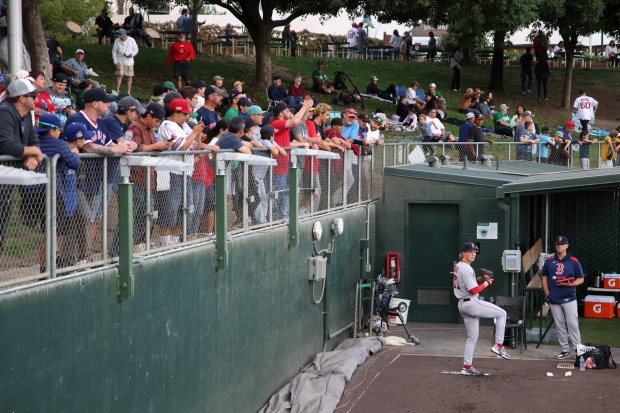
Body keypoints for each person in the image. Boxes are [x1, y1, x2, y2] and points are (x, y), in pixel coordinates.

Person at [453, 242, 511, 377]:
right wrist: (487, 282)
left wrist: (479, 278)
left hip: (462, 305)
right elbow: (473, 290)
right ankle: (498, 346)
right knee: (502, 313)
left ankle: (467, 366)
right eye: (470, 251)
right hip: (471, 303)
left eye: (475, 252)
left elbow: (467, 283)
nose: (473, 254)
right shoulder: (466, 268)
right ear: (463, 252)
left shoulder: (459, 266)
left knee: (472, 338)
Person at [0, 79, 44, 253]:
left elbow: (34, 141)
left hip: (8, 177)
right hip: (3, 174)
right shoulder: (4, 111)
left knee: (4, 217)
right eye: (32, 96)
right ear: (21, 99)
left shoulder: (25, 115)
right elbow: (4, 145)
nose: (36, 99)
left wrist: (33, 155)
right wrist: (32, 150)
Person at [541, 236, 584, 360]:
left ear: (567, 246)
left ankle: (578, 350)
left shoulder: (574, 261)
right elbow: (544, 277)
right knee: (560, 326)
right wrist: (547, 293)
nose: (559, 246)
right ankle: (565, 350)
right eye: (557, 244)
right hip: (554, 298)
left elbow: (581, 278)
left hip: (569, 298)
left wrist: (572, 284)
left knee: (573, 325)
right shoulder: (549, 261)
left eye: (562, 244)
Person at [112, 28, 139, 96]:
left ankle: (128, 92)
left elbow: (136, 49)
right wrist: (115, 62)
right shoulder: (117, 41)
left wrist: (132, 54)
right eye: (120, 37)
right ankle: (117, 90)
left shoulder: (131, 40)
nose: (121, 38)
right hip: (120, 60)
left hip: (129, 62)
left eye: (122, 37)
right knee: (120, 75)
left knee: (129, 76)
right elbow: (114, 51)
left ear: (126, 34)